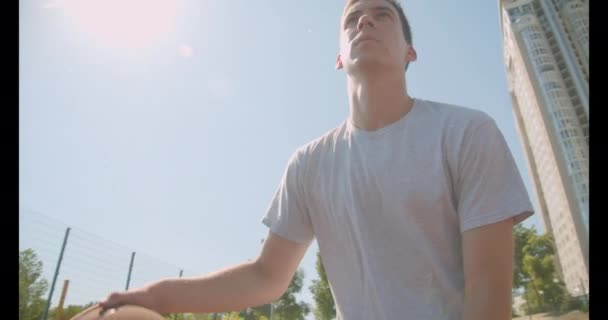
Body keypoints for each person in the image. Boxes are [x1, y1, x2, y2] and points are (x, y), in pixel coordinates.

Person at [99, 0, 534, 319]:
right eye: (352, 19)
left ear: (410, 53)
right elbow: (265, 277)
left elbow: (488, 293)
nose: (365, 19)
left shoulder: (466, 132)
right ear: (339, 57)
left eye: (383, 14)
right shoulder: (309, 163)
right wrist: (157, 296)